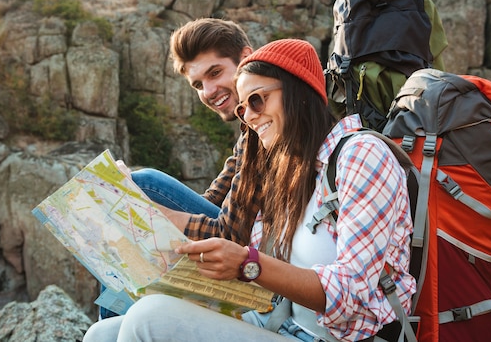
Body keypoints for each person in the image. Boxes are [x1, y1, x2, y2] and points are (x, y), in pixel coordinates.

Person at [84, 38, 416, 341]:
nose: (250, 116)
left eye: (257, 100)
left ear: (300, 90)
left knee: (147, 318)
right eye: (243, 108)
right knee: (102, 335)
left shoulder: (361, 156)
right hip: (273, 321)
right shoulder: (288, 167)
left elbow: (354, 296)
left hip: (329, 338)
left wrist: (247, 264)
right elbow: (220, 213)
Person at [99, 17, 256, 318]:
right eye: (198, 84)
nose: (209, 91)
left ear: (246, 59)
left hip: (257, 257)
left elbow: (231, 235)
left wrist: (148, 208)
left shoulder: (268, 126)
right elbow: (212, 201)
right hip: (236, 237)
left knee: (144, 186)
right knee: (128, 198)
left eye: (215, 72)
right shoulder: (247, 130)